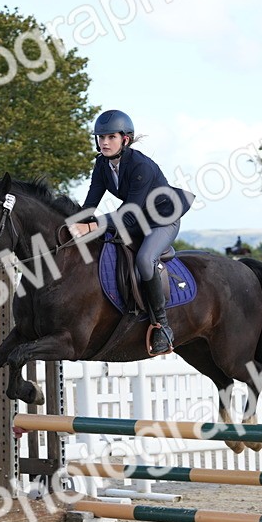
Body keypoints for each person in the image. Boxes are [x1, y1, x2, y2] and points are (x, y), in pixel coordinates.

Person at [68, 109, 194, 356]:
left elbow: (129, 212)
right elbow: (91, 204)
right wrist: (69, 226)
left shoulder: (141, 166)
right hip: (135, 221)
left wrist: (92, 226)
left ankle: (162, 326)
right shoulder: (102, 164)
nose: (104, 142)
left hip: (162, 221)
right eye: (100, 137)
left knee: (145, 260)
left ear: (125, 139)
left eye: (110, 137)